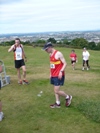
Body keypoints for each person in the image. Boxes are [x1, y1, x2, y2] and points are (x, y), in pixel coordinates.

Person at [43, 42, 72, 108]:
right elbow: (52, 65)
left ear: (50, 47)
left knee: (56, 90)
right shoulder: (50, 54)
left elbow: (65, 63)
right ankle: (57, 103)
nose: (45, 51)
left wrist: (61, 71)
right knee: (55, 90)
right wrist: (51, 73)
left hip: (58, 75)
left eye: (46, 49)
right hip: (53, 74)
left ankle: (68, 97)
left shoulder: (58, 53)